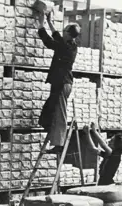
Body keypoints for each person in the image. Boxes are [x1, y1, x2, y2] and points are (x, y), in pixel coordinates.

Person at [37, 11, 79, 156]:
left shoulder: (67, 47)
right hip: (61, 83)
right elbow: (57, 37)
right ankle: (53, 134)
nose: (63, 31)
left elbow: (49, 42)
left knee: (60, 114)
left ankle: (59, 144)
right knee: (48, 111)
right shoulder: (69, 44)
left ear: (69, 33)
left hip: (62, 83)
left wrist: (40, 24)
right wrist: (49, 22)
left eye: (65, 30)